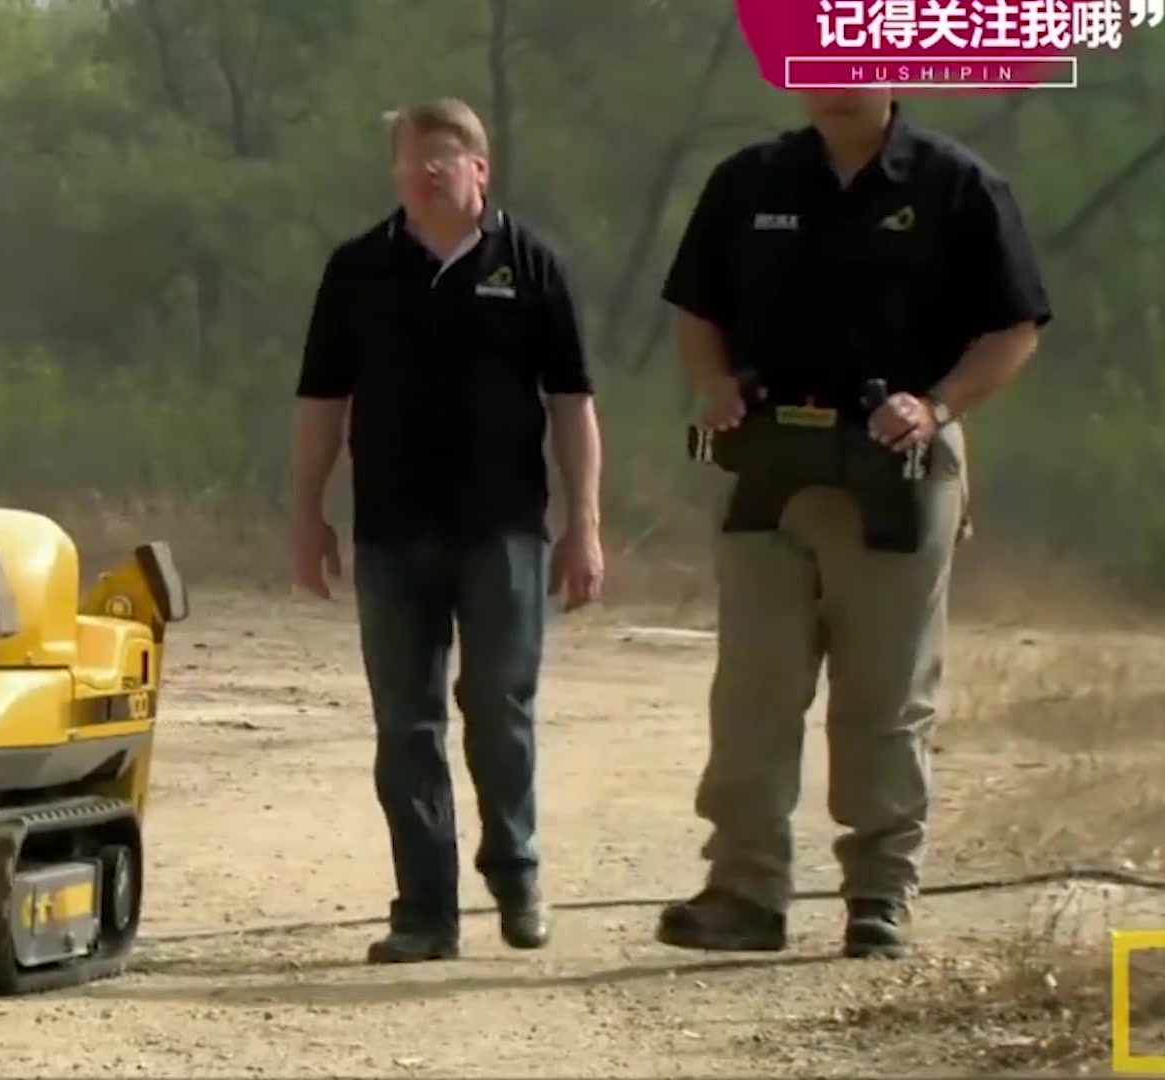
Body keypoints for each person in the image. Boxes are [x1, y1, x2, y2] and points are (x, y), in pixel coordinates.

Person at [653, 89, 1050, 958]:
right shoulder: (749, 181)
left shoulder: (957, 186)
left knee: (884, 694)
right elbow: (697, 311)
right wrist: (714, 385)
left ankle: (879, 894)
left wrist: (936, 404)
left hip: (896, 468)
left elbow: (1013, 327)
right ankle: (744, 891)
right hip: (767, 465)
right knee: (754, 690)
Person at [291, 97, 606, 964]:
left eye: (444, 157)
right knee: (407, 724)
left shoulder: (531, 265)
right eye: (410, 158)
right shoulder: (359, 269)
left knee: (499, 707)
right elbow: (322, 403)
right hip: (391, 533)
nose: (425, 173)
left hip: (503, 529)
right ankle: (424, 911)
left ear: (480, 169)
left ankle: (516, 873)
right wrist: (308, 511)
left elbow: (572, 405)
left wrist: (583, 525)